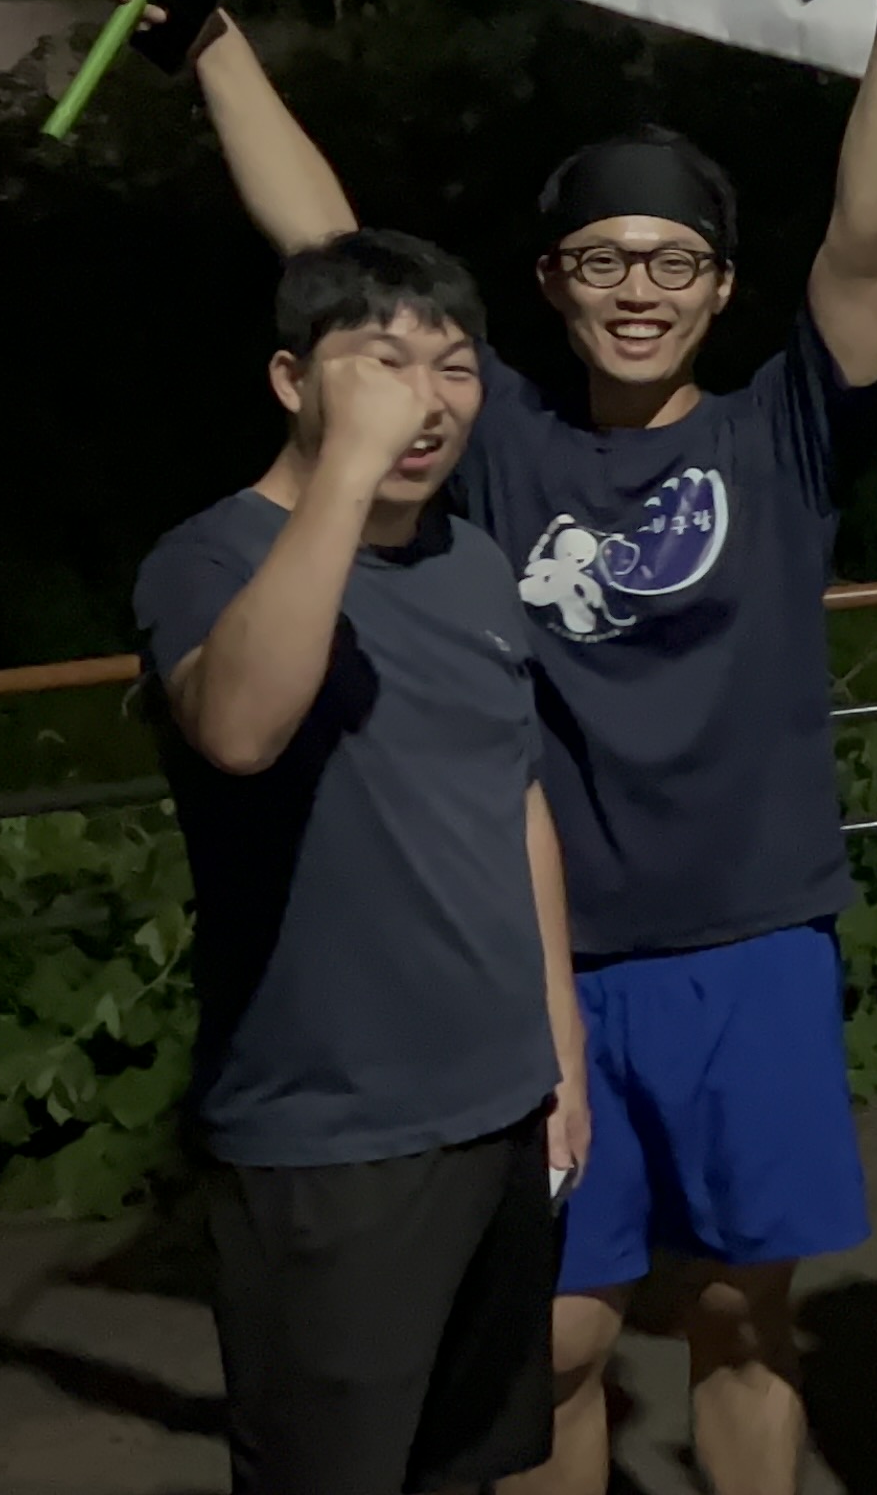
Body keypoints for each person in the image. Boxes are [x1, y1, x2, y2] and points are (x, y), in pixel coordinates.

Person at [111, 0, 877, 1495]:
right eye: (602, 260)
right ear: (553, 284)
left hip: (750, 942)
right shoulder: (494, 433)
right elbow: (332, 262)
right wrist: (214, 44)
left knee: (741, 1313)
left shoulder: (782, 433)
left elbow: (866, 248)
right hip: (552, 969)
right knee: (558, 1339)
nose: (639, 290)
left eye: (674, 261)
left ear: (720, 286)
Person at [134, 230, 591, 1495]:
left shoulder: (475, 563)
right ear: (293, 379)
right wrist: (345, 471)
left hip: (500, 1107)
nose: (424, 401)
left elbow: (515, 798)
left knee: (467, 1467)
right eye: (382, 363)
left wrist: (559, 1045)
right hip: (328, 1139)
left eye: (454, 367)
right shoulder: (211, 559)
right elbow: (239, 727)